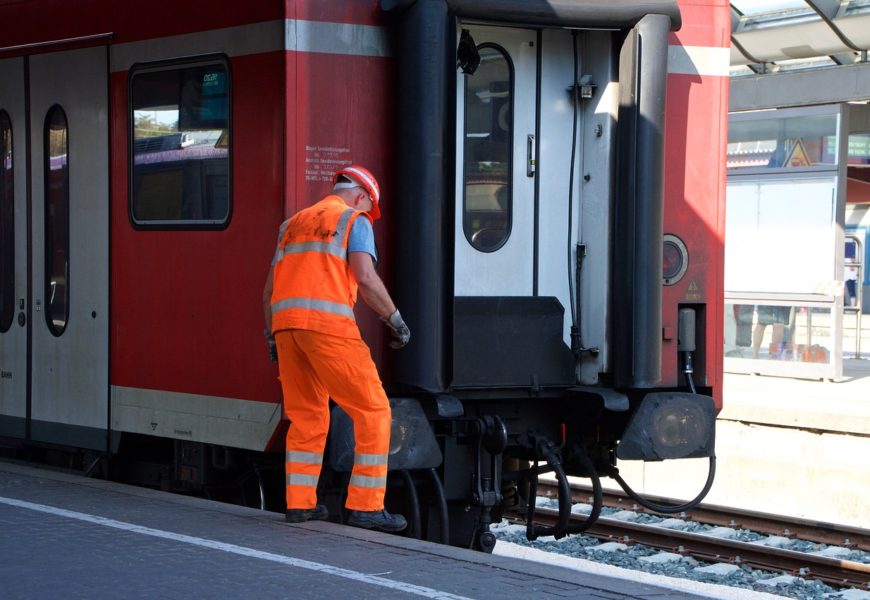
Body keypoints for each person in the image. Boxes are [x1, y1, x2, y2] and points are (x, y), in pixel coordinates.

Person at [262, 165, 410, 533]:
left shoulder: (291, 225)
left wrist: (271, 336)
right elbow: (364, 276)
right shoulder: (353, 221)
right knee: (374, 410)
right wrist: (394, 319)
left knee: (307, 416)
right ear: (362, 197)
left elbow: (268, 292)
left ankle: (299, 504)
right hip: (328, 329)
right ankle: (366, 506)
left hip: (286, 329)